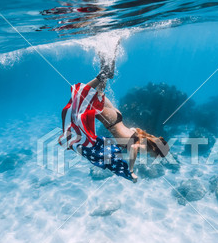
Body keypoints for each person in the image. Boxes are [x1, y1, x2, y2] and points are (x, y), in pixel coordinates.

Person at [58, 54, 169, 182]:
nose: (154, 158)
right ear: (156, 150)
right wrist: (130, 170)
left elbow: (131, 131)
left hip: (117, 117)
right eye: (157, 156)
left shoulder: (145, 137)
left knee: (97, 96)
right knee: (82, 101)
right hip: (111, 122)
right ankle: (102, 74)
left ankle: (105, 65)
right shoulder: (144, 146)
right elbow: (133, 148)